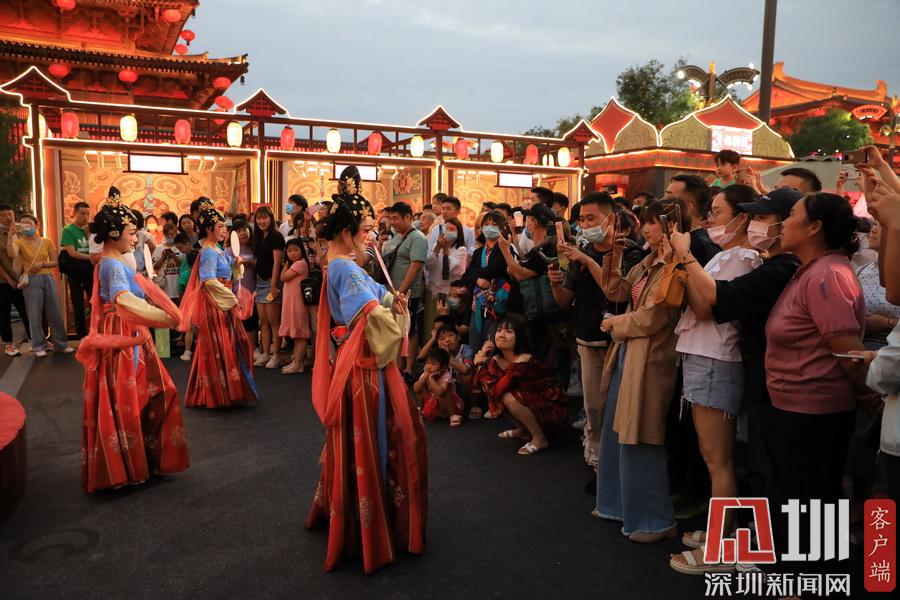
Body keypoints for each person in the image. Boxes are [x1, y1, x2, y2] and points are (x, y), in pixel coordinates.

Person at [304, 191, 427, 574]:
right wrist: (398, 314)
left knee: (362, 438)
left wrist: (390, 300)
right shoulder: (346, 268)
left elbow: (375, 299)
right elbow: (372, 320)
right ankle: (373, 523)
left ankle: (355, 511)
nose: (372, 236)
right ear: (346, 231)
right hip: (366, 365)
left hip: (356, 359)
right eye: (367, 229)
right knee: (385, 435)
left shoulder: (341, 264)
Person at [765, 192, 873, 581]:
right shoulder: (810, 269)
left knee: (809, 499)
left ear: (814, 227)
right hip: (798, 405)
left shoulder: (828, 275)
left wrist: (866, 395)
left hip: (816, 409)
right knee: (803, 497)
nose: (782, 222)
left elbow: (848, 352)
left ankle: (809, 579)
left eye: (791, 214)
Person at [666, 185, 763, 572]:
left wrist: (684, 257)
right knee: (714, 459)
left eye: (718, 212)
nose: (710, 219)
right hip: (705, 357)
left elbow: (707, 307)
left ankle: (720, 548)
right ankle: (724, 531)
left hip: (716, 359)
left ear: (743, 217)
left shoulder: (743, 257)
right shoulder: (726, 255)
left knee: (717, 459)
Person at [593, 198, 689, 543]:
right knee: (617, 430)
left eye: (651, 222)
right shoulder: (649, 262)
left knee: (641, 435)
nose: (645, 228)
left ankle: (655, 520)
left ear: (670, 226)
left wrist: (614, 324)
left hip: (651, 359)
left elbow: (653, 317)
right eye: (644, 222)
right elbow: (615, 290)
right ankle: (618, 505)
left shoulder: (676, 265)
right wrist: (613, 254)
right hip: (631, 353)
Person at [77, 199, 188, 493]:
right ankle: (131, 464)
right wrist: (165, 317)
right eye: (132, 233)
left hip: (128, 330)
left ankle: (135, 461)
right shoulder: (113, 264)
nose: (136, 239)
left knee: (142, 394)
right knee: (133, 397)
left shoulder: (111, 262)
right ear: (114, 234)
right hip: (124, 334)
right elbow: (123, 300)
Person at [549, 192, 643, 470]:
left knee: (619, 405)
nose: (585, 225)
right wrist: (554, 283)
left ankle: (618, 461)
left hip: (620, 340)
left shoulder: (630, 252)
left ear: (610, 218)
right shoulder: (581, 254)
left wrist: (588, 261)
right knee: (593, 406)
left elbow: (616, 293)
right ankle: (597, 458)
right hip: (587, 339)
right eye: (581, 220)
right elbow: (565, 301)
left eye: (591, 218)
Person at [181, 207, 257, 408]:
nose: (224, 231)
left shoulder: (218, 249)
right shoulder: (208, 251)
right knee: (219, 345)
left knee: (227, 344)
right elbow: (208, 280)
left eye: (225, 227)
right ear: (208, 229)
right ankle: (217, 394)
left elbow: (229, 271)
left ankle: (224, 392)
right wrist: (230, 298)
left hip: (223, 300)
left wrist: (236, 263)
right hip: (216, 304)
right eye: (220, 227)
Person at [472, 316, 567, 454]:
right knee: (502, 395)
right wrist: (483, 361)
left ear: (519, 337)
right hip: (530, 401)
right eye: (499, 330)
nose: (501, 335)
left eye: (509, 331)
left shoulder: (523, 360)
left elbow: (495, 390)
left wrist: (480, 364)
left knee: (507, 396)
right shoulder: (496, 360)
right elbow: (482, 388)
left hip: (551, 408)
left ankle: (540, 438)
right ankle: (523, 430)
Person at [5, 213, 71, 357]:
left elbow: (55, 262)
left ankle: (61, 344)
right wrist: (11, 234)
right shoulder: (19, 242)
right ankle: (38, 346)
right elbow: (11, 253)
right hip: (31, 279)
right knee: (34, 314)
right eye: (22, 224)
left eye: (28, 223)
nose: (26, 226)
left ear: (36, 225)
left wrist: (42, 264)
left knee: (54, 312)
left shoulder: (47, 241)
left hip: (48, 277)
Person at [383, 201, 428, 379]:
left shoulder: (418, 238)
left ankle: (409, 369)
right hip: (393, 292)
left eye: (395, 218)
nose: (392, 222)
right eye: (390, 219)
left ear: (408, 217)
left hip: (408, 294)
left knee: (410, 329)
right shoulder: (396, 237)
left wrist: (400, 291)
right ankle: (397, 366)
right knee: (396, 329)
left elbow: (415, 266)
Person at [461, 211, 515, 353]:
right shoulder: (478, 252)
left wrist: (473, 274)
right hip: (478, 303)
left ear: (502, 228)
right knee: (475, 340)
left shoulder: (505, 249)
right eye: (486, 224)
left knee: (492, 342)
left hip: (498, 302)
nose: (489, 227)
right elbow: (466, 276)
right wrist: (478, 279)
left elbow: (494, 269)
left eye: (494, 224)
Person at [252, 205, 286, 369]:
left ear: (271, 219)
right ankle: (265, 353)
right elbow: (259, 260)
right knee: (263, 321)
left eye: (264, 217)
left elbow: (277, 263)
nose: (261, 221)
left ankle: (276, 355)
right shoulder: (259, 237)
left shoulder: (276, 236)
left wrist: (273, 284)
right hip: (260, 281)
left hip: (272, 281)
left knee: (274, 321)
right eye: (259, 218)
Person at [665, 174, 721, 266]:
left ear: (688, 206)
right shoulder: (671, 239)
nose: (662, 203)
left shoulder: (703, 246)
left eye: (668, 199)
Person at [59, 201, 94, 339]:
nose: (85, 217)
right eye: (82, 213)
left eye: (87, 214)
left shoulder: (90, 230)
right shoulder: (68, 230)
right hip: (76, 271)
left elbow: (96, 248)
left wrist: (90, 235)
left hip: (90, 270)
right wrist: (91, 257)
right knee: (78, 303)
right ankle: (82, 336)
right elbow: (72, 253)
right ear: (74, 213)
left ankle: (95, 332)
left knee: (94, 301)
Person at [0, 204, 30, 355]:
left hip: (23, 278)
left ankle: (35, 339)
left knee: (27, 310)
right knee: (3, 313)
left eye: (10, 214)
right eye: (4, 215)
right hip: (3, 281)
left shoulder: (21, 231)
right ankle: (9, 344)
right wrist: (8, 279)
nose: (8, 217)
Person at [278, 238, 311, 374]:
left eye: (296, 250)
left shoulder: (300, 264)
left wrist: (286, 262)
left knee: (300, 333)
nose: (292, 253)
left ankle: (298, 363)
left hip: (297, 303)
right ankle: (296, 362)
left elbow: (283, 277)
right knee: (297, 334)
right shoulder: (297, 263)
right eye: (289, 251)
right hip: (292, 302)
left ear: (301, 250)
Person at [414, 347, 463, 427]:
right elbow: (415, 389)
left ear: (443, 367)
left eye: (433, 364)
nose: (429, 366)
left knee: (444, 392)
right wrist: (425, 377)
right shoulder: (425, 374)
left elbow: (440, 392)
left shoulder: (446, 376)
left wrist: (431, 379)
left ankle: (453, 416)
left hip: (448, 406)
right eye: (427, 363)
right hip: (434, 406)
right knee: (420, 385)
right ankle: (421, 408)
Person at [151, 223, 183, 303]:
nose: (170, 236)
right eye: (167, 234)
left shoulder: (180, 248)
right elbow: (155, 267)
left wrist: (174, 256)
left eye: (172, 234)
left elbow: (183, 265)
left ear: (176, 233)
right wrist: (163, 257)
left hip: (178, 289)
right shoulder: (159, 249)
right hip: (164, 289)